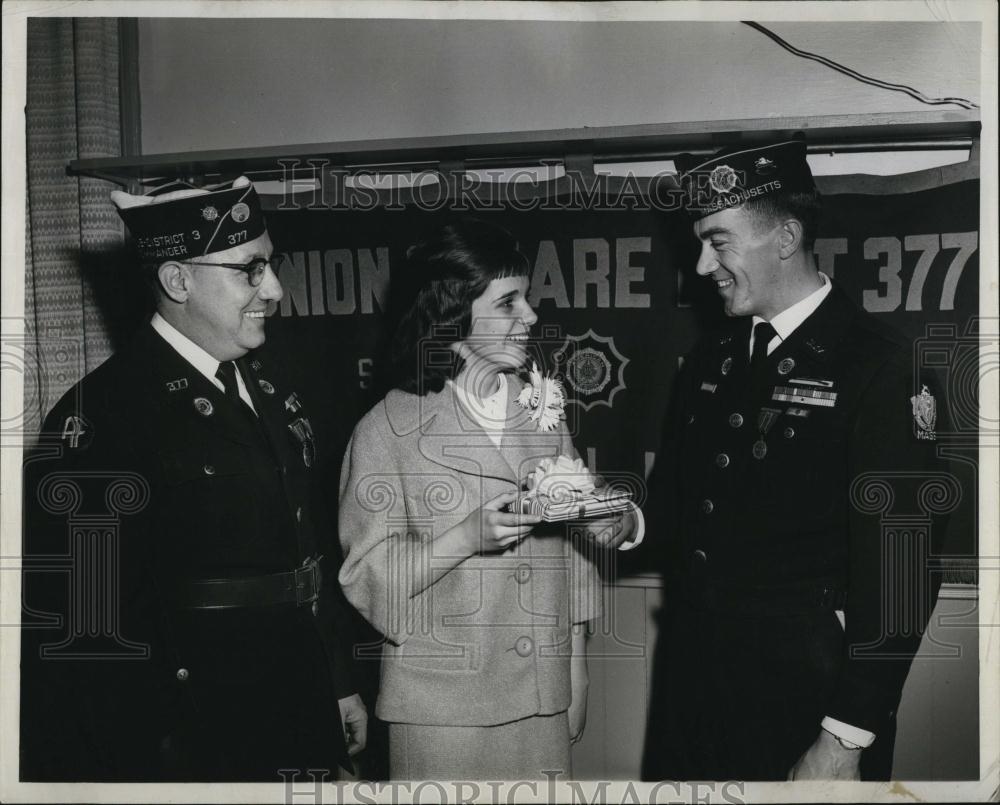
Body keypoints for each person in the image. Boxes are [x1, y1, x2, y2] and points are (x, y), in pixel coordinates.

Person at [20, 177, 367, 781]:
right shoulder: (101, 415)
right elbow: (89, 632)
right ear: (178, 280)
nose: (276, 290)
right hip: (195, 735)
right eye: (250, 270)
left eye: (272, 265)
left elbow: (303, 552)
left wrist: (336, 681)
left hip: (298, 705)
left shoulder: (272, 383)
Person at [642, 140, 948, 781]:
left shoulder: (881, 365)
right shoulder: (712, 361)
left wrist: (843, 739)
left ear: (785, 238)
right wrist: (629, 523)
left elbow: (900, 574)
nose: (702, 266)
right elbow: (681, 504)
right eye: (700, 243)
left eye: (718, 243)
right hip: (694, 693)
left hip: (805, 705)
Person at [336, 219, 642, 780]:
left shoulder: (543, 412)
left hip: (541, 692)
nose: (529, 316)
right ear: (454, 315)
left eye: (525, 298)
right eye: (508, 302)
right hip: (440, 708)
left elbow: (573, 547)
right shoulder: (386, 428)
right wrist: (462, 539)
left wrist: (576, 663)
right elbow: (365, 574)